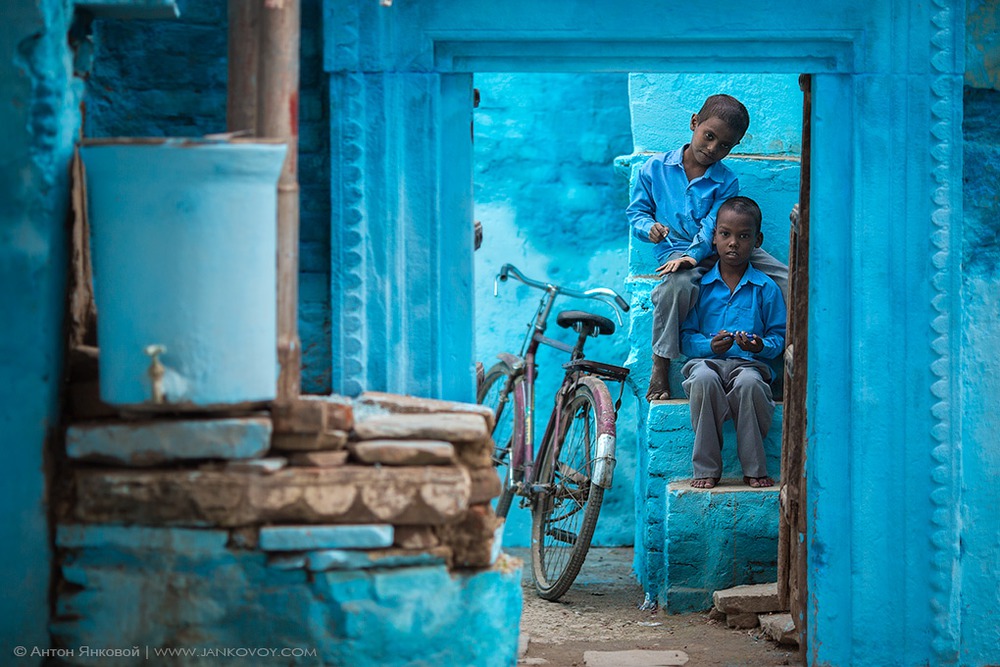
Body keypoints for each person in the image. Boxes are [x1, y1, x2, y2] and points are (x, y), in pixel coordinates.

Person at [626, 94, 788, 401]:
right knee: (677, 286)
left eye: (724, 145)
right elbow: (637, 213)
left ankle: (778, 365)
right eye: (709, 136)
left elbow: (713, 224)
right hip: (675, 250)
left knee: (787, 281)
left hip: (723, 241)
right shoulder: (653, 169)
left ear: (734, 146)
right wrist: (651, 229)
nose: (713, 149)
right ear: (694, 123)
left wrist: (695, 254)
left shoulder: (726, 181)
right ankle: (660, 363)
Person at [679, 196, 785, 489]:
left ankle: (754, 467)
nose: (733, 243)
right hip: (706, 363)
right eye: (725, 234)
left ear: (757, 240)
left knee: (750, 384)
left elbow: (779, 338)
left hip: (749, 365)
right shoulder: (700, 287)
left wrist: (759, 346)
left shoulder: (766, 288)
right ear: (714, 237)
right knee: (702, 379)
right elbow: (686, 338)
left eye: (743, 236)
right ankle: (706, 468)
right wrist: (709, 347)